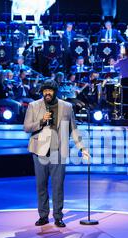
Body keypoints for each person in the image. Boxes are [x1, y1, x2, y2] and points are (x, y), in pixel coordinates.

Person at [23, 79, 90, 227]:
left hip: (59, 150)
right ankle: (43, 216)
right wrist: (41, 121)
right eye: (44, 91)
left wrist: (82, 148)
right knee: (41, 185)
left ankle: (58, 216)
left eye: (50, 90)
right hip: (39, 151)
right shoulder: (34, 106)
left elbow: (73, 129)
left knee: (58, 185)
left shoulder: (66, 107)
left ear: (55, 92)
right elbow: (27, 127)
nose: (47, 93)